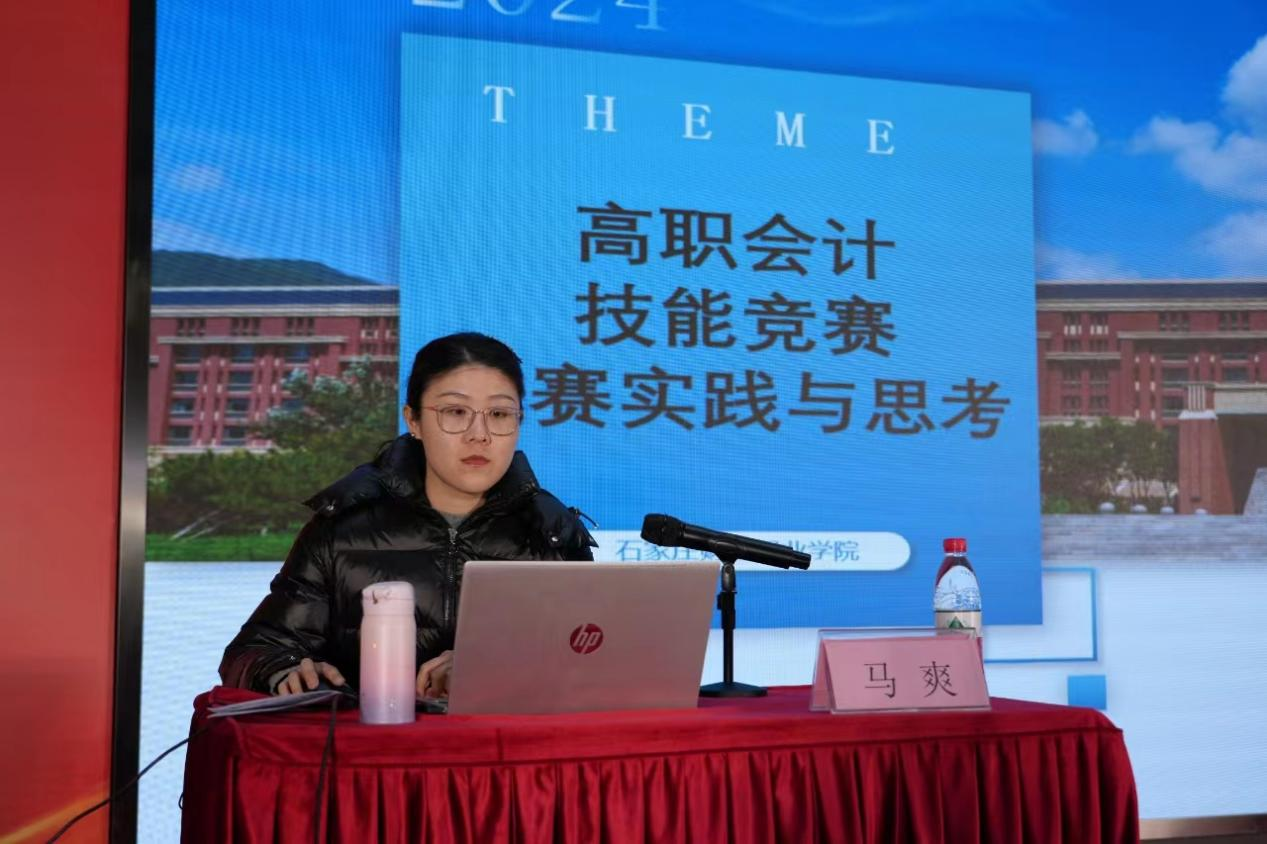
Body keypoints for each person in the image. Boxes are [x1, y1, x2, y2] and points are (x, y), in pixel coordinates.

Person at [220, 332, 595, 699]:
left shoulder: (553, 536)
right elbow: (254, 651)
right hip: (373, 740)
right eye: (455, 412)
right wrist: (283, 670)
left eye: (499, 414)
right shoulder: (341, 530)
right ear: (413, 420)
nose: (479, 434)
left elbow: (591, 663)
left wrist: (491, 667)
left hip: (503, 742)